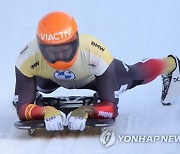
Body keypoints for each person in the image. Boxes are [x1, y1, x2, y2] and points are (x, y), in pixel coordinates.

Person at [14, 11, 180, 132]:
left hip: (92, 77)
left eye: (65, 50)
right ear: (41, 48)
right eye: (52, 52)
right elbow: (22, 110)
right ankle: (33, 91)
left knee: (136, 74)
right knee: (34, 88)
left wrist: (89, 110)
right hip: (48, 79)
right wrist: (41, 110)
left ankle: (171, 64)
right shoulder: (27, 57)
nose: (60, 58)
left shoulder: (95, 52)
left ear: (76, 42)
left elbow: (112, 109)